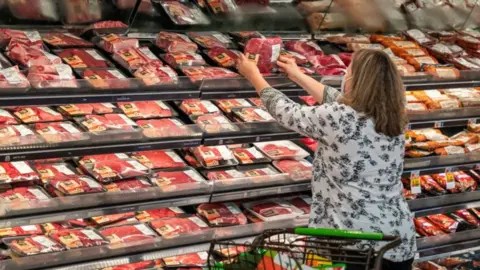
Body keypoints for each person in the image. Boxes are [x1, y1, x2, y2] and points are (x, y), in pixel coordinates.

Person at [236, 49, 416, 270]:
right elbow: (338, 99)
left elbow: (286, 111)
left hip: (356, 245)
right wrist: (297, 75)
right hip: (397, 239)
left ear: (356, 81)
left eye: (349, 72)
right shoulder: (394, 114)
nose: (345, 76)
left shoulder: (339, 118)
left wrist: (253, 75)